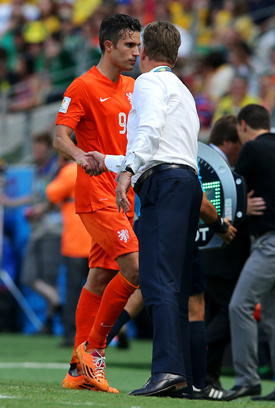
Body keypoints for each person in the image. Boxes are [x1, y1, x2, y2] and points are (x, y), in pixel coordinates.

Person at [87, 20, 203, 398]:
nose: (134, 54)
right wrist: (105, 160)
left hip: (163, 185)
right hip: (185, 182)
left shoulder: (149, 83)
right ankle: (182, 376)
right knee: (178, 284)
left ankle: (167, 370)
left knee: (156, 280)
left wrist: (128, 173)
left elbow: (149, 133)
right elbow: (162, 145)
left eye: (138, 48)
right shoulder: (182, 90)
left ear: (147, 51)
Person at [53, 14, 142, 393]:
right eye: (129, 45)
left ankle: (77, 367)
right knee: (138, 269)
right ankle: (95, 353)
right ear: (108, 45)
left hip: (125, 194)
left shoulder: (135, 87)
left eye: (138, 46)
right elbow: (60, 135)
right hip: (97, 195)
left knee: (100, 277)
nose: (136, 52)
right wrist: (79, 154)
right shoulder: (83, 85)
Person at [228, 104, 275, 401]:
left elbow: (229, 189)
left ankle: (248, 379)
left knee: (239, 306)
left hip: (268, 243)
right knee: (271, 316)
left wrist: (243, 205)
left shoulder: (253, 149)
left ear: (243, 125)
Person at [1, 131, 63, 334]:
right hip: (38, 231)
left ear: (47, 149)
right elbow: (36, 197)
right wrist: (12, 203)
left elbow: (58, 196)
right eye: (34, 148)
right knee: (30, 276)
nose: (35, 152)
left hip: (52, 230)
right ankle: (56, 301)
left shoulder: (57, 168)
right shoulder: (39, 170)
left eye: (39, 148)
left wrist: (41, 209)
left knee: (49, 278)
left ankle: (49, 321)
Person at [46, 155, 91, 347]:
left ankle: (71, 335)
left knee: (73, 292)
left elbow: (51, 193)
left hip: (75, 242)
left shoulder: (71, 170)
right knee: (100, 292)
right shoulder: (101, 165)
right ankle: (106, 334)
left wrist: (60, 170)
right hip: (98, 241)